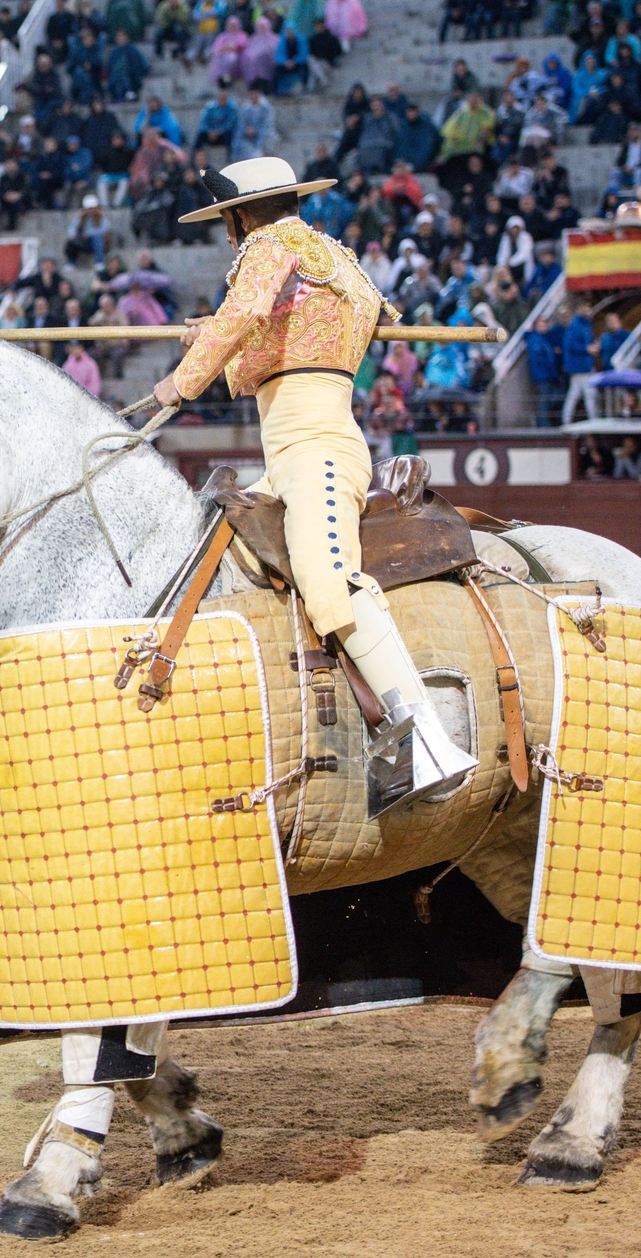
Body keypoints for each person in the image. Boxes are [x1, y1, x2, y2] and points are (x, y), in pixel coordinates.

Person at [154, 155, 477, 801]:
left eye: (228, 219)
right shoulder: (341, 261)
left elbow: (247, 319)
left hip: (314, 449)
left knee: (329, 580)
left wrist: (178, 383)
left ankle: (428, 740)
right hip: (301, 445)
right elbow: (300, 339)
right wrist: (213, 334)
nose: (229, 232)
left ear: (242, 214)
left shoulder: (270, 246)